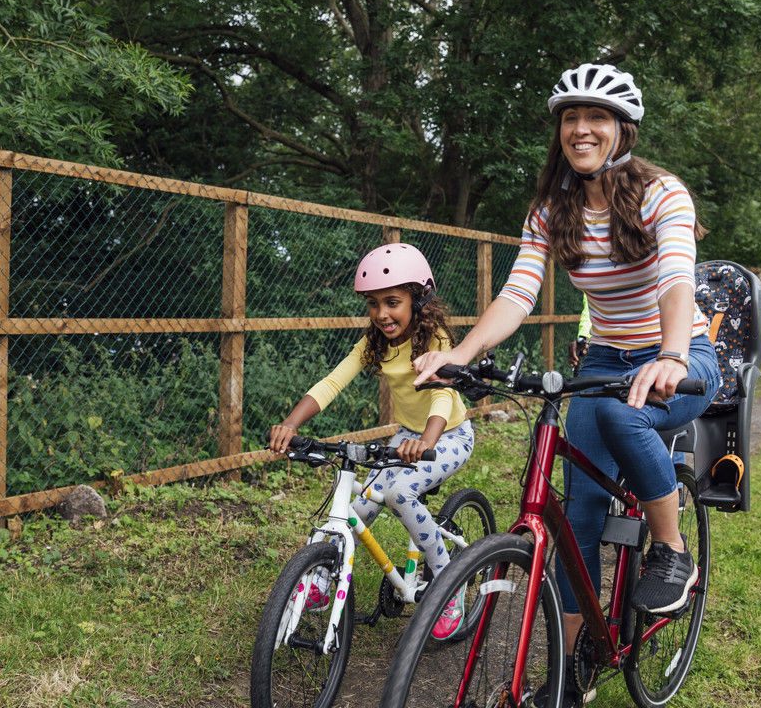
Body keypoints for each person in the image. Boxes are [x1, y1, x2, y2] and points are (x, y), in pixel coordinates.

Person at [413, 63, 722, 692]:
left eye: (597, 118)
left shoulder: (666, 193)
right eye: (571, 119)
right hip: (605, 357)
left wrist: (670, 356)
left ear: (623, 130)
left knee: (619, 416)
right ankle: (571, 668)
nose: (581, 129)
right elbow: (518, 293)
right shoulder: (553, 210)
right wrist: (464, 352)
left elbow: (676, 282)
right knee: (576, 509)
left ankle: (671, 549)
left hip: (682, 353)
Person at [268, 242, 475, 641]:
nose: (381, 313)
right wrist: (290, 423)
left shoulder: (436, 338)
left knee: (399, 492)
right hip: (406, 436)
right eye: (373, 303)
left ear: (420, 299)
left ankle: (450, 583)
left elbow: (442, 394)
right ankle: (322, 581)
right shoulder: (374, 344)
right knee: (357, 507)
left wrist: (426, 440)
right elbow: (333, 381)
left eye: (392, 302)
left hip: (447, 434)